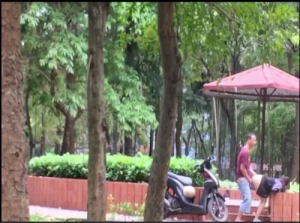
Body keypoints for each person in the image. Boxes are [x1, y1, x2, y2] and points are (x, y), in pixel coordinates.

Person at [235, 133, 257, 222]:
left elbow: (248, 167)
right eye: (254, 140)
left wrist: (255, 175)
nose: (255, 142)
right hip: (242, 179)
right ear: (249, 140)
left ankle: (239, 218)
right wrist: (248, 178)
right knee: (247, 199)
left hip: (244, 179)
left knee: (247, 198)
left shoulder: (246, 151)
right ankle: (238, 219)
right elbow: (242, 168)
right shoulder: (245, 152)